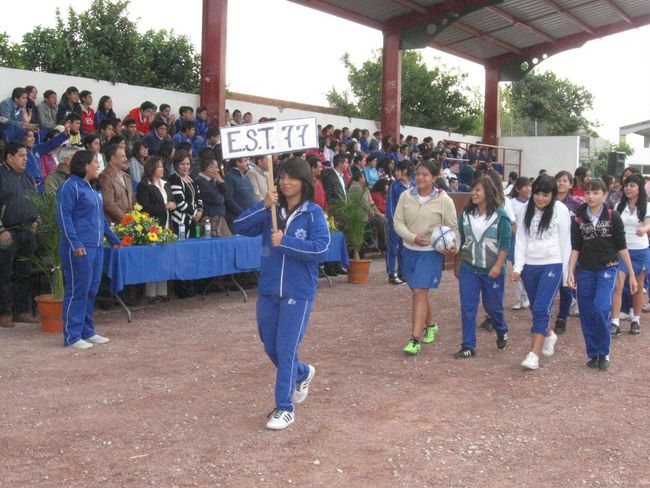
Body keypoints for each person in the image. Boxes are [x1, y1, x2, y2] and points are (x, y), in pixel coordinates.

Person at [233, 157, 330, 430]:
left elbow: (321, 249)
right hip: (268, 289)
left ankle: (284, 408)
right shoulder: (270, 210)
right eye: (282, 177)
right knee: (270, 345)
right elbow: (239, 226)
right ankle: (302, 373)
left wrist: (285, 242)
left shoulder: (314, 214)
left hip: (298, 292)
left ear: (304, 182)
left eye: (292, 178)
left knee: (286, 349)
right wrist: (263, 206)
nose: (286, 182)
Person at [568, 179, 636, 370]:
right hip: (586, 269)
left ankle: (604, 351)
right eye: (588, 192)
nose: (591, 196)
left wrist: (631, 273)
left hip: (608, 267)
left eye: (596, 192)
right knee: (587, 311)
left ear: (605, 194)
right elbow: (576, 246)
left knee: (601, 307)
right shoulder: (579, 217)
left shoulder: (612, 216)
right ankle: (593, 353)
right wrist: (570, 271)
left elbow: (622, 247)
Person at [393, 160, 459, 355]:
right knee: (418, 292)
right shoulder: (406, 196)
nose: (420, 178)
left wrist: (454, 246)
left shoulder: (444, 200)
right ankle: (430, 325)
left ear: (434, 178)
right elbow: (398, 222)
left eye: (425, 175)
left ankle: (414, 339)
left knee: (419, 293)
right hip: (409, 251)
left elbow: (453, 227)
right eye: (418, 174)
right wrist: (412, 237)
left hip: (430, 254)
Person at [57, 150, 121, 349]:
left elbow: (100, 218)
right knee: (78, 289)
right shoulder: (69, 187)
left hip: (96, 247)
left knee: (91, 289)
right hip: (78, 247)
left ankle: (88, 331)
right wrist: (75, 243)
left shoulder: (92, 189)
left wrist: (112, 238)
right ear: (85, 165)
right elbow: (64, 216)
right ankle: (72, 335)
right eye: (95, 162)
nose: (98, 165)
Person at [513, 175, 571, 370]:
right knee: (537, 308)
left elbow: (566, 242)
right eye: (537, 193)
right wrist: (517, 267)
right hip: (530, 265)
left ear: (552, 194)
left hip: (552, 264)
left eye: (545, 195)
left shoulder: (560, 210)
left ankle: (533, 354)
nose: (540, 198)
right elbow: (521, 241)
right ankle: (549, 334)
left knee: (540, 308)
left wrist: (566, 273)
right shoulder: (524, 210)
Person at [453, 176, 511, 358]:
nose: (473, 193)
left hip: (492, 269)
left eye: (478, 190)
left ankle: (501, 329)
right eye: (473, 189)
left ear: (488, 192)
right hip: (469, 267)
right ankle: (468, 345)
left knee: (493, 306)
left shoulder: (501, 216)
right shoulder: (465, 214)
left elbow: (505, 243)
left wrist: (498, 265)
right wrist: (457, 262)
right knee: (468, 306)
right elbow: (460, 239)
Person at [0, 142, 40, 327]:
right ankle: (4, 313)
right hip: (7, 233)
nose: (25, 159)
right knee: (4, 274)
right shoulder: (1, 175)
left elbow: (37, 202)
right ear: (9, 156)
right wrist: (1, 230)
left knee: (24, 274)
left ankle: (21, 311)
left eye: (26, 155)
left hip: (27, 232)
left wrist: (36, 222)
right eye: (21, 155)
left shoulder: (27, 177)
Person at [609, 173, 650, 336]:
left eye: (632, 185)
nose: (628, 188)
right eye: (626, 185)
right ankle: (615, 321)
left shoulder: (646, 206)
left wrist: (644, 230)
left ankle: (636, 320)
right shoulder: (619, 205)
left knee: (638, 287)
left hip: (640, 250)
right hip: (621, 250)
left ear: (640, 188)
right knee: (618, 286)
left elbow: (648, 223)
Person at [137, 155, 176, 302]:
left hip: (167, 224)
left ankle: (163, 291)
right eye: (159, 166)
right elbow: (145, 207)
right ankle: (151, 293)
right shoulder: (144, 185)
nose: (162, 169)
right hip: (153, 225)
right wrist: (164, 206)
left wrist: (172, 205)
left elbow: (171, 200)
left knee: (164, 259)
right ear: (152, 168)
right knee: (152, 259)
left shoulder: (166, 184)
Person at [554, 170, 581, 333]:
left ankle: (562, 317)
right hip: (551, 248)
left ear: (571, 184)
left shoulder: (576, 205)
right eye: (559, 180)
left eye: (565, 181)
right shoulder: (548, 202)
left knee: (566, 285)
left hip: (570, 250)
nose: (561, 183)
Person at [385, 160, 413, 285]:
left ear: (404, 171)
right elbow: (390, 204)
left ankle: (402, 272)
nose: (395, 172)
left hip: (409, 223)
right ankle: (391, 273)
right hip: (397, 222)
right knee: (393, 248)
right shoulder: (395, 186)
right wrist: (392, 221)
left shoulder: (414, 186)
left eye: (397, 170)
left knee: (404, 248)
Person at [508, 177, 532, 310]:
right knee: (515, 268)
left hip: (530, 241)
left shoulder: (533, 202)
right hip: (515, 239)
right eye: (525, 186)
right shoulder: (511, 203)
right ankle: (519, 298)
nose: (528, 189)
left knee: (526, 269)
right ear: (517, 189)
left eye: (529, 186)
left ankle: (526, 296)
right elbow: (512, 222)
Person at [169, 150, 203, 238]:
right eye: (182, 164)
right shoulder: (174, 179)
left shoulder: (191, 178)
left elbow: (198, 196)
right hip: (179, 221)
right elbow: (180, 202)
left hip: (192, 219)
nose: (186, 167)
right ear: (176, 165)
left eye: (187, 164)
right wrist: (194, 213)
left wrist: (200, 210)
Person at [98, 144, 135, 224]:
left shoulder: (127, 177)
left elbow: (132, 199)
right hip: (114, 225)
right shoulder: (105, 177)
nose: (126, 159)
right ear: (113, 158)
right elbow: (108, 204)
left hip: (128, 224)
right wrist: (126, 219)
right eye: (122, 156)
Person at [195, 156, 231, 237]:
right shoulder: (200, 182)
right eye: (216, 167)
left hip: (220, 219)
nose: (218, 170)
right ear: (209, 169)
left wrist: (221, 181)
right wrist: (222, 196)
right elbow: (217, 199)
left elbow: (228, 196)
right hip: (209, 221)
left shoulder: (215, 181)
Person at [223, 157, 256, 224]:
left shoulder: (246, 177)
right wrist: (243, 214)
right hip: (237, 220)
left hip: (249, 218)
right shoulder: (229, 177)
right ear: (237, 162)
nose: (248, 163)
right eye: (246, 160)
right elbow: (228, 199)